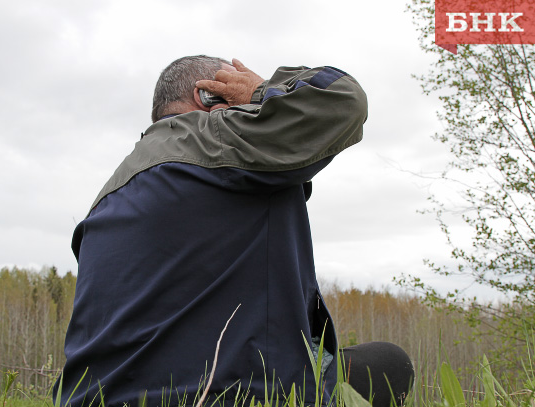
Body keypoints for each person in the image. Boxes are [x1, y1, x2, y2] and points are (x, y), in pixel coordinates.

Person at [55, 55, 412, 407]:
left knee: (362, 365)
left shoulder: (110, 195)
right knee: (391, 365)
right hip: (212, 395)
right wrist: (260, 91)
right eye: (230, 84)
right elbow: (341, 100)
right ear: (207, 95)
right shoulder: (214, 138)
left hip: (94, 397)